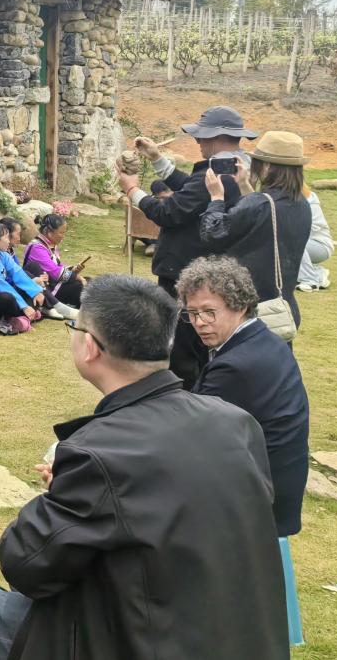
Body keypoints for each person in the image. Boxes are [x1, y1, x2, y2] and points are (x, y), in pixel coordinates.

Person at [0, 274, 288, 660]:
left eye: (75, 327)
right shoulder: (237, 423)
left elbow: (24, 563)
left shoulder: (98, 454)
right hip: (226, 634)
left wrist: (59, 491)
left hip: (131, 641)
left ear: (91, 347)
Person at [116, 105, 252, 388]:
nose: (198, 141)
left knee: (181, 350)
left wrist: (132, 189)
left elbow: (169, 212)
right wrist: (157, 158)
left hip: (185, 274)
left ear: (217, 137)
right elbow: (191, 187)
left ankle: (185, 400)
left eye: (202, 136)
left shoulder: (218, 173)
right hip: (204, 271)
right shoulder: (233, 167)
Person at [178, 256, 310, 537]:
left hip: (260, 500)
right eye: (192, 313)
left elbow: (190, 432)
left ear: (240, 306)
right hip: (275, 481)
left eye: (209, 312)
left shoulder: (237, 366)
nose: (199, 323)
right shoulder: (264, 339)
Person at [201, 131, 313, 328]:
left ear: (267, 166)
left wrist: (216, 198)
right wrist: (244, 185)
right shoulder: (302, 204)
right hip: (282, 309)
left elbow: (212, 234)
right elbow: (262, 217)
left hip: (251, 309)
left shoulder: (259, 204)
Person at [0, 216, 76, 321]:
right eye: (18, 234)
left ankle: (48, 306)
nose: (20, 238)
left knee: (84, 282)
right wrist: (74, 275)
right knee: (32, 268)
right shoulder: (36, 247)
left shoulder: (9, 252)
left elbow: (57, 267)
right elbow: (56, 274)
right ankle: (52, 305)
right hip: (47, 287)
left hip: (43, 285)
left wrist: (72, 271)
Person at [22, 213, 86, 309]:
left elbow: (57, 266)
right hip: (47, 289)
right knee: (79, 286)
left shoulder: (50, 245)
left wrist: (73, 269)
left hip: (53, 282)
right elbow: (55, 272)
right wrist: (76, 276)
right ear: (49, 232)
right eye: (61, 233)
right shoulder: (37, 247)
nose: (63, 236)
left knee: (88, 281)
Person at [297, 188, 333, 291]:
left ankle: (310, 280)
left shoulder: (307, 200)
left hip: (320, 246)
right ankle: (317, 273)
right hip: (306, 245)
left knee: (289, 241)